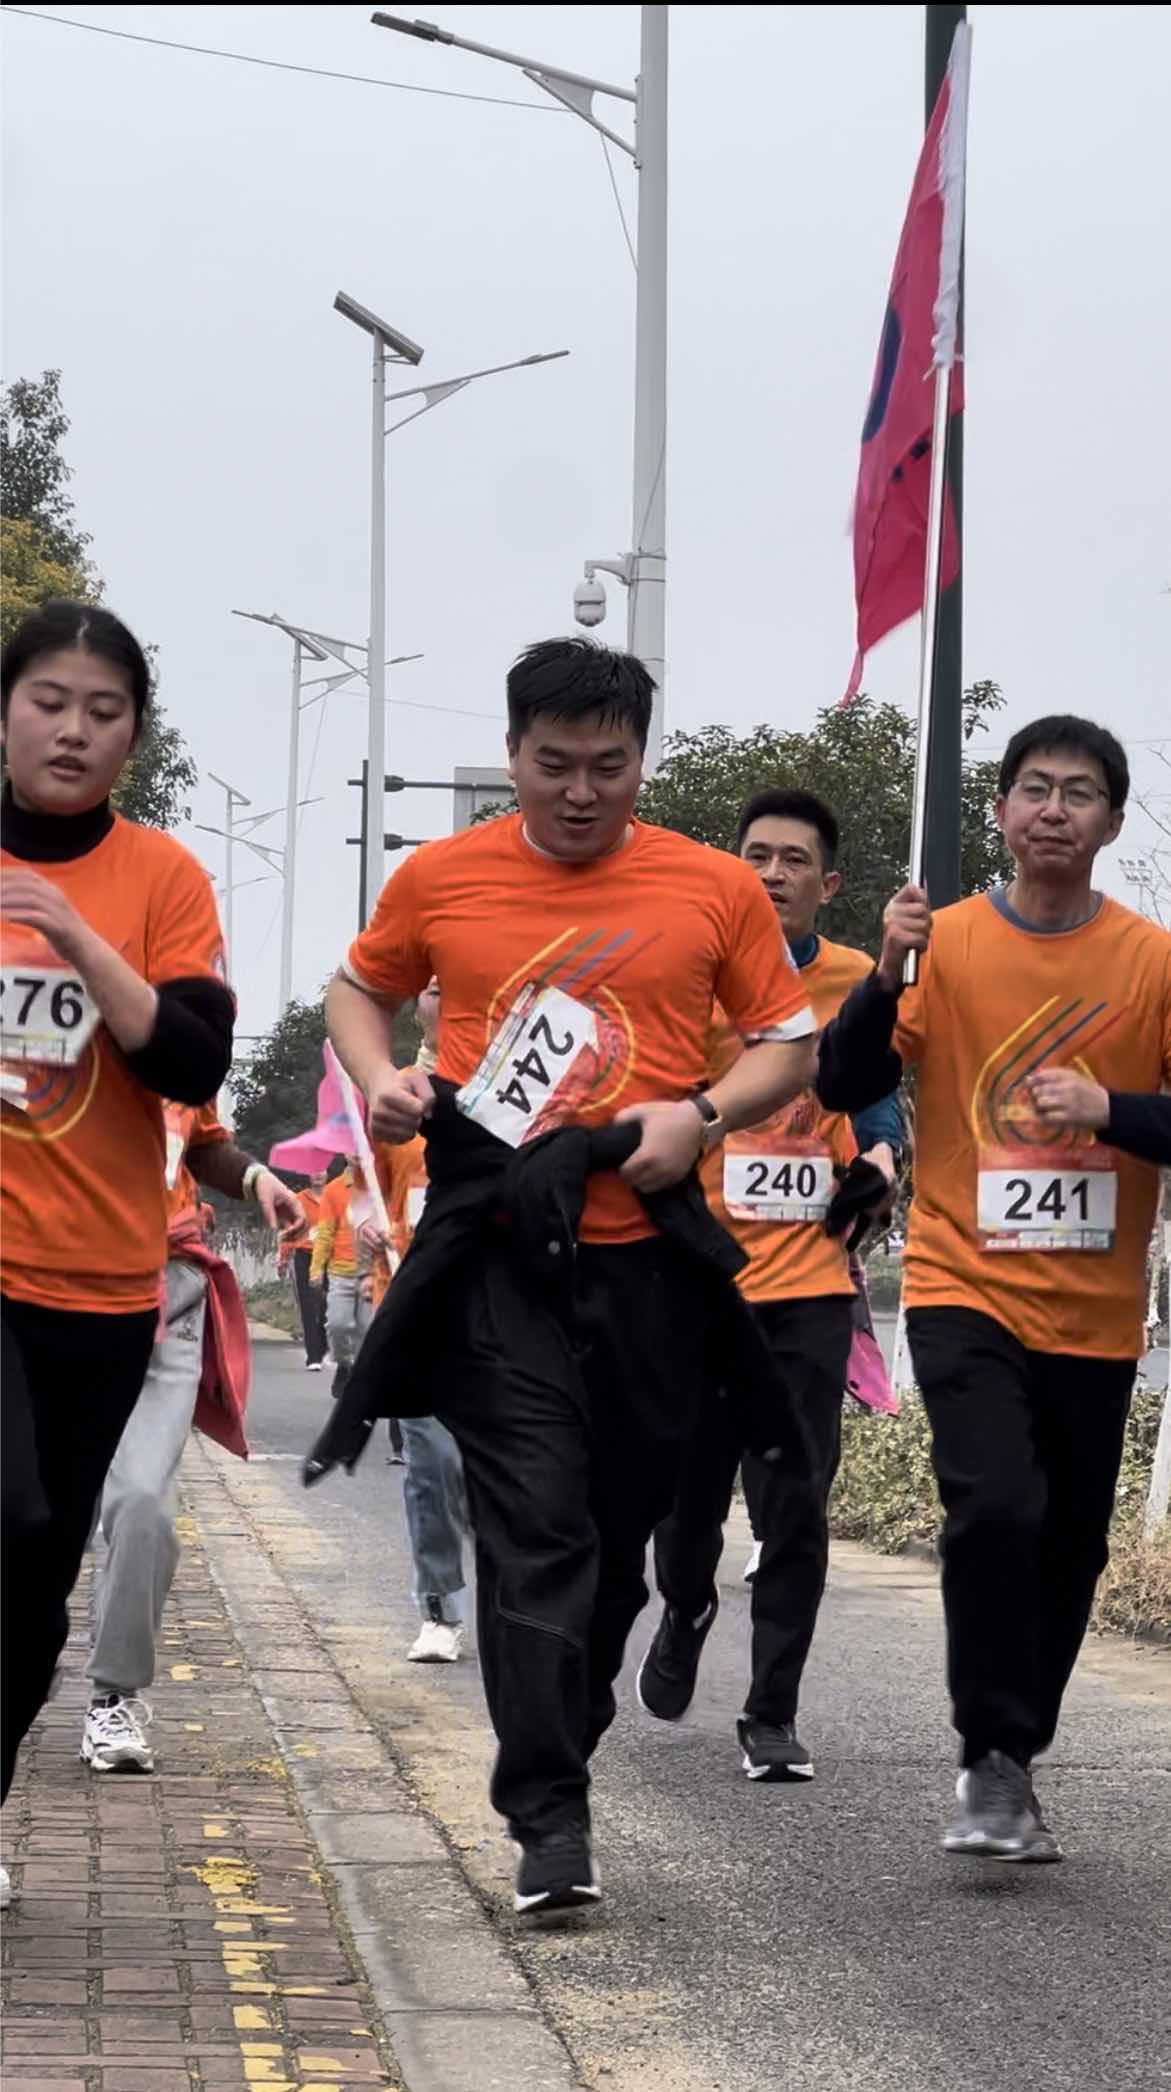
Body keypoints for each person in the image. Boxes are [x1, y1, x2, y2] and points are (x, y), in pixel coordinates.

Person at [325, 637, 818, 1913]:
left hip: (648, 1262)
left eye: (609, 764)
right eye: (555, 764)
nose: (582, 791)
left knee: (612, 1543)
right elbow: (357, 991)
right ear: (512, 755)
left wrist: (699, 1116)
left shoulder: (713, 887)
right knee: (535, 1522)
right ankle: (548, 1815)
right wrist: (383, 1079)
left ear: (641, 757)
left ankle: (565, 1724)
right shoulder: (441, 877)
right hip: (499, 1254)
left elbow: (788, 1045)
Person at [817, 715, 1171, 1861]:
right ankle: (990, 1753)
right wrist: (883, 973)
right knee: (994, 1508)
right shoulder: (945, 941)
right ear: (1002, 810)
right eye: (1034, 788)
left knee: (1068, 1545)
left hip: (1095, 1312)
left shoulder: (1150, 962)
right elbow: (844, 1080)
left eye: (1079, 792)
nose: (1053, 809)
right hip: (961, 1281)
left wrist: (1111, 1110)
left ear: (1109, 821)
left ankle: (1014, 1756)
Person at [0, 599, 233, 1831]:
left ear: (133, 737)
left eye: (103, 711)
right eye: (48, 701)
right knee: (10, 1509)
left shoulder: (161, 879)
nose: (72, 729)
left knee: (37, 1578)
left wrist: (81, 939)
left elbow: (193, 1060)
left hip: (97, 1283)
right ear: (5, 713)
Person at [637, 789, 901, 1780]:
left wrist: (881, 1159)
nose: (772, 873)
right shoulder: (691, 974)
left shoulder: (854, 980)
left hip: (809, 1288)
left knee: (794, 1506)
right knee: (685, 1506)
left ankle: (771, 1712)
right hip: (699, 1283)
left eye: (794, 860)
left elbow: (878, 1101)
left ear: (827, 884)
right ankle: (685, 1606)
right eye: (756, 855)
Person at [82, 1100, 303, 1773]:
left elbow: (202, 1144)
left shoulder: (173, 1050)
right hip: (41, 1289)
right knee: (28, 1511)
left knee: (144, 1507)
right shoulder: (29, 1044)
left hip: (166, 1292)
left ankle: (113, 1696)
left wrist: (256, 1178)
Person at [379, 977, 469, 1664]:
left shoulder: (511, 1088)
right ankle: (438, 1607)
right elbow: (365, 1190)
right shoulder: (395, 1096)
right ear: (418, 1007)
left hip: (499, 1302)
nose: (444, 999)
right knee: (430, 1465)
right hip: (418, 1304)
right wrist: (366, 1228)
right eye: (433, 989)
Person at [309, 1156, 374, 1400]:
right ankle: (344, 1364)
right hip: (341, 1272)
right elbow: (325, 1234)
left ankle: (359, 1374)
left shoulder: (379, 1184)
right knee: (337, 1324)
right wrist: (316, 1269)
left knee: (367, 1329)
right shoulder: (334, 1190)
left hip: (375, 1273)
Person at [279, 1169, 329, 1369]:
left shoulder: (334, 1196)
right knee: (308, 1306)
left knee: (329, 1305)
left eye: (321, 1170)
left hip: (329, 1257)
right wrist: (283, 1258)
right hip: (304, 1256)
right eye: (314, 1170)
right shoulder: (298, 1200)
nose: (317, 1174)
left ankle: (322, 1345)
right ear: (308, 1174)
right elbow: (289, 1230)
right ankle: (313, 1357)